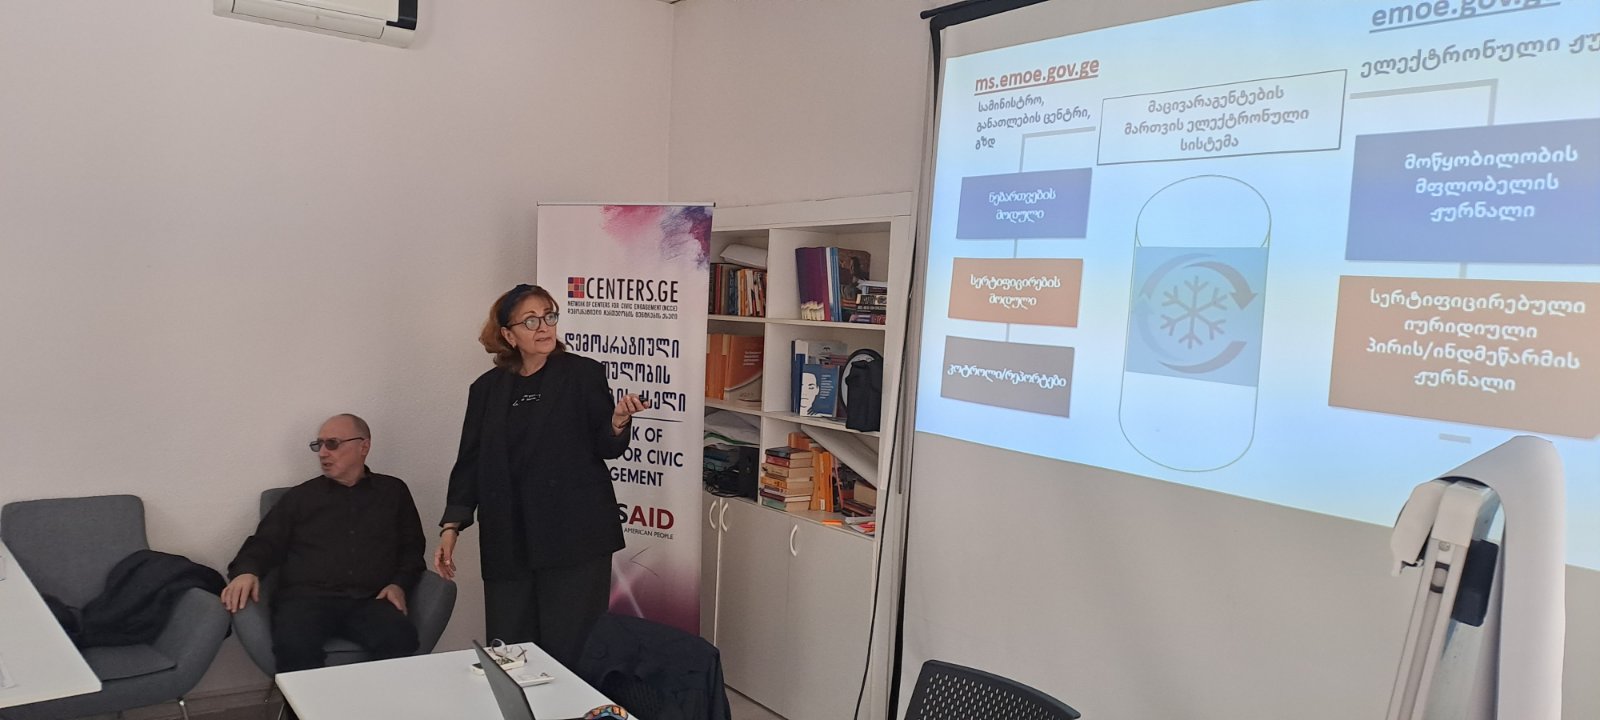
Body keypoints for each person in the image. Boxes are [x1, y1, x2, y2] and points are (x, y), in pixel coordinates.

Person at [434, 283, 649, 670]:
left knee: (570, 652)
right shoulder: (486, 389)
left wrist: (617, 421)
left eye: (549, 316)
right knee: (510, 652)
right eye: (530, 320)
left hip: (574, 538)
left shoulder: (583, 374)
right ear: (508, 335)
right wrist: (452, 525)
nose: (544, 326)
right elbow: (471, 461)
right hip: (508, 538)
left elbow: (606, 445)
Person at [220, 414, 425, 673]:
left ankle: (379, 699)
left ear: (363, 446)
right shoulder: (301, 497)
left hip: (370, 599)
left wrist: (399, 584)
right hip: (307, 601)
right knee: (295, 644)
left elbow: (412, 548)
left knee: (400, 637)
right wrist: (247, 571)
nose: (323, 453)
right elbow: (266, 542)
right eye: (319, 445)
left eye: (333, 444)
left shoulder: (393, 492)